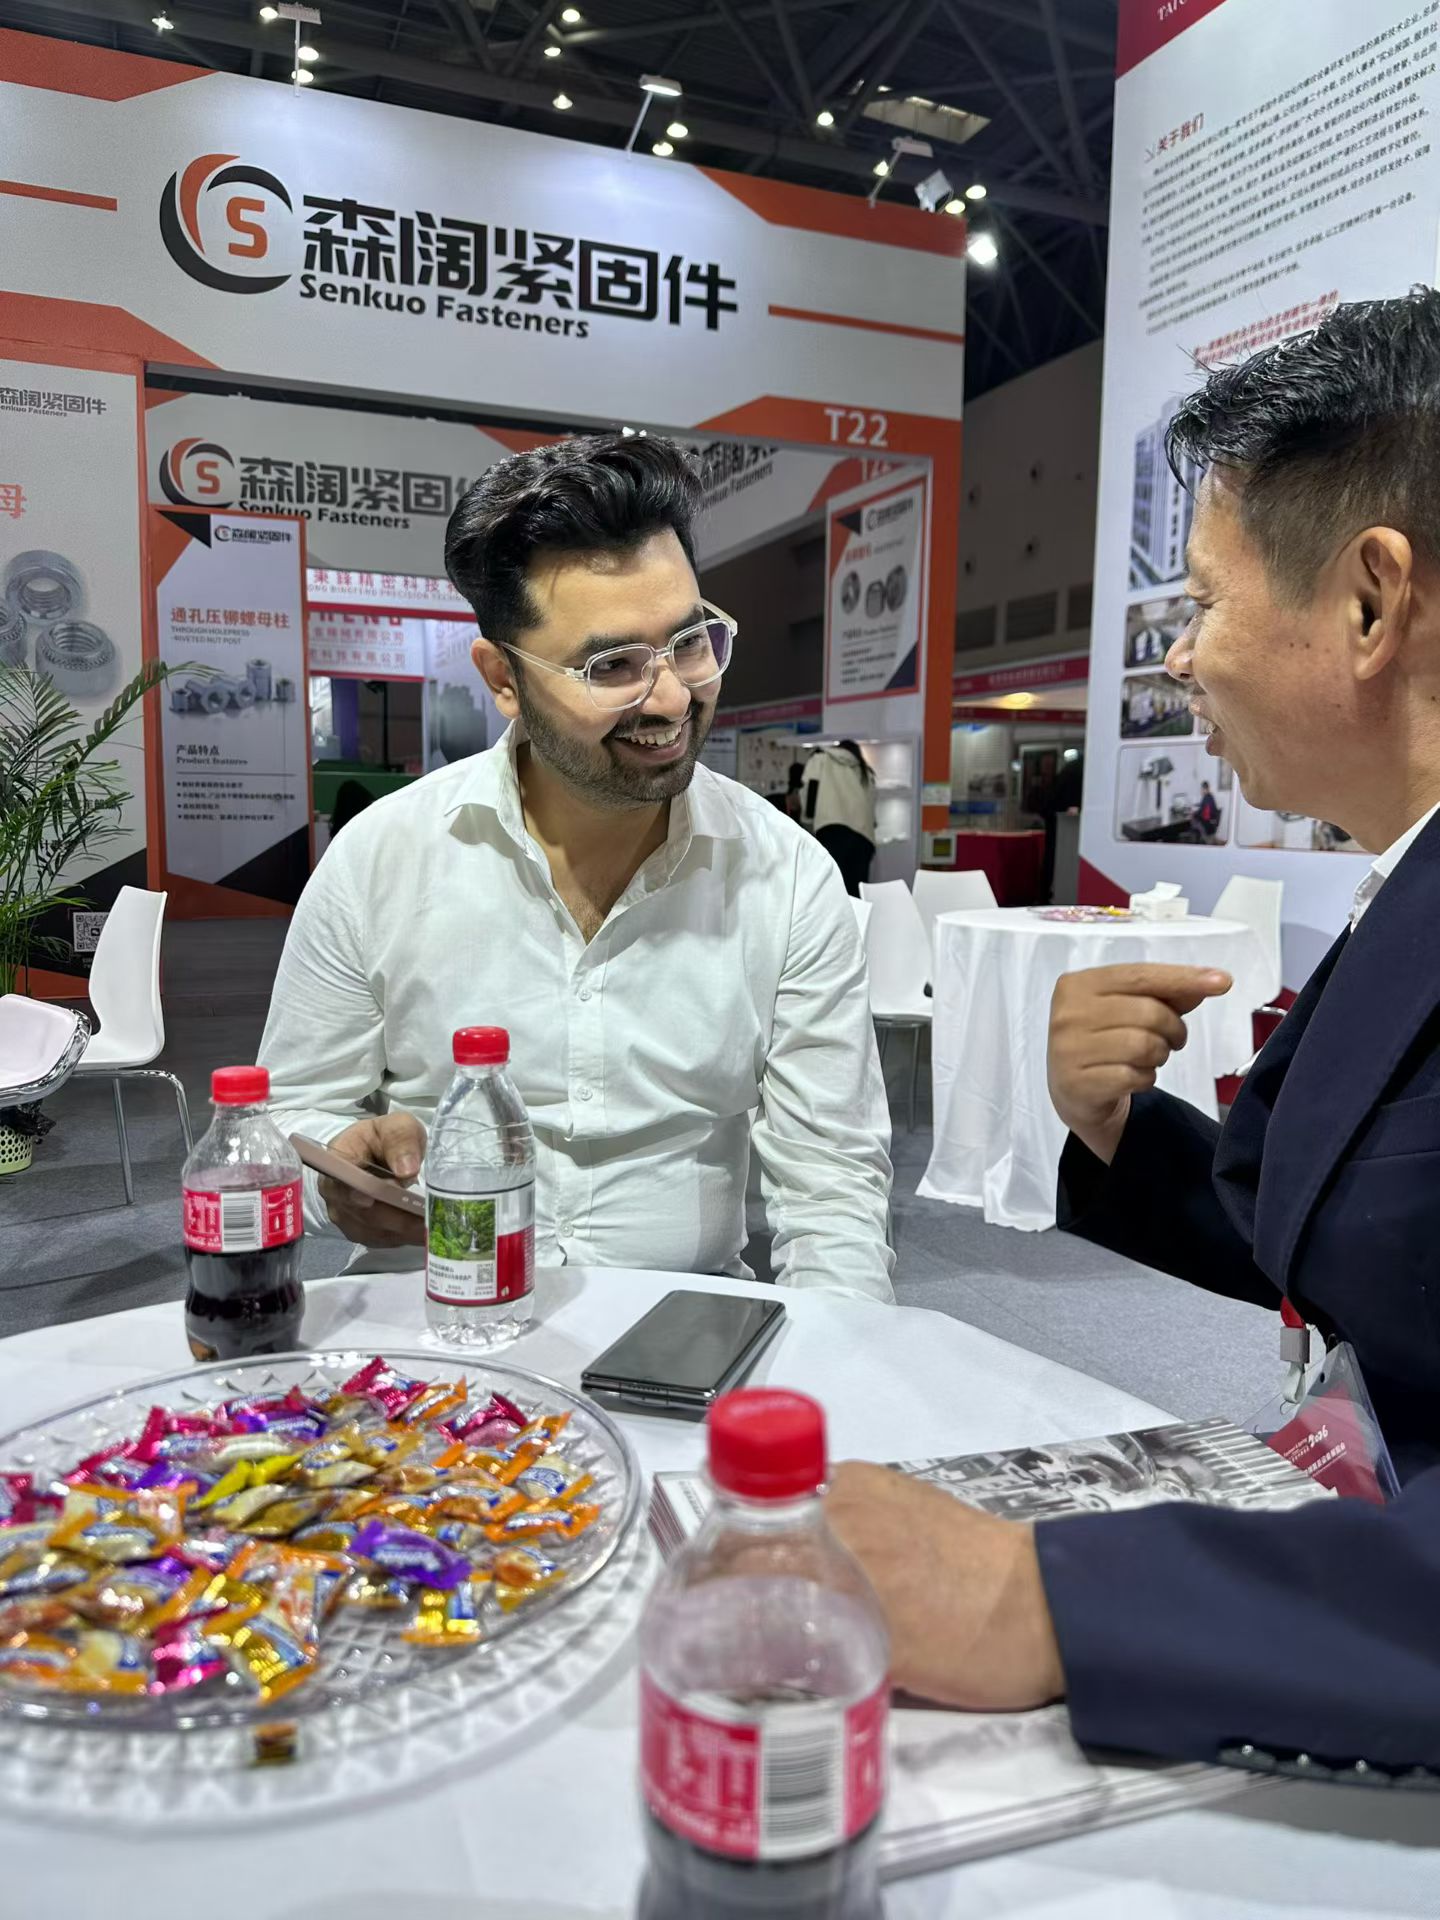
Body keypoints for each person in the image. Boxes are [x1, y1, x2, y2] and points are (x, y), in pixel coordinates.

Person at [826, 290, 1440, 1775]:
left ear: (1369, 605)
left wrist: (1042, 1601)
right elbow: (1383, 1245)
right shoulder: (1403, 880)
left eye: (1203, 604)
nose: (1179, 660)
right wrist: (1120, 1137)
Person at [259, 433, 894, 1302]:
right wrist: (338, 1169)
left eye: (691, 642)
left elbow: (833, 1184)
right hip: (434, 1312)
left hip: (684, 1319)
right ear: (503, 678)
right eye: (612, 665)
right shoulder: (381, 860)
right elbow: (283, 1118)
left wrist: (842, 1355)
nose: (671, 698)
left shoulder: (786, 877)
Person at [803, 739, 877, 895]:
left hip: (832, 830)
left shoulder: (821, 758)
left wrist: (808, 817)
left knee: (832, 891)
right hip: (863, 837)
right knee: (857, 894)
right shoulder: (865, 771)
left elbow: (811, 788)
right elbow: (871, 804)